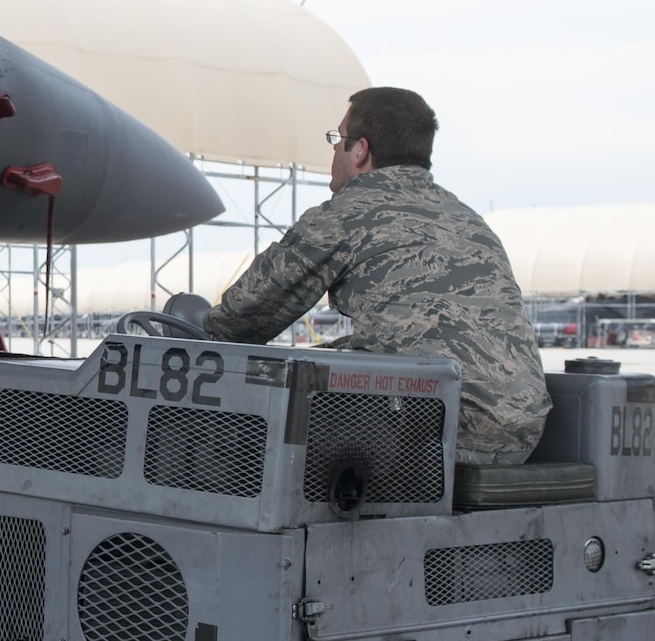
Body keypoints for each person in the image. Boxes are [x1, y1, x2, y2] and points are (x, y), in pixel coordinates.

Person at [202, 87, 550, 465]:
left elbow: (244, 315)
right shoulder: (469, 219)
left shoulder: (350, 210)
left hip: (433, 430)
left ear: (360, 150)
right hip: (520, 431)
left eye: (337, 140)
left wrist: (197, 329)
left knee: (267, 386)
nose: (334, 150)